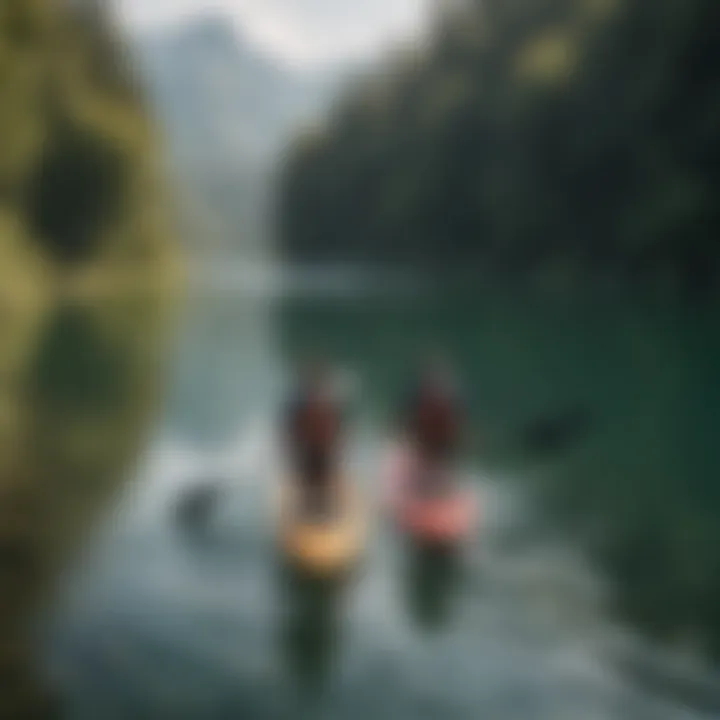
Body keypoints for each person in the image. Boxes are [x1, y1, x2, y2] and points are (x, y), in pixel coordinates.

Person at [282, 358, 343, 519]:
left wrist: (337, 444)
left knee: (321, 480)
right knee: (309, 480)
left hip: (323, 447)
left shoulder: (329, 401)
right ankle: (308, 510)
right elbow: (291, 425)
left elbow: (339, 425)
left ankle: (322, 510)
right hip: (308, 447)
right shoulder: (299, 401)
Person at [399, 357, 465, 498]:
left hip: (439, 447)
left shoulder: (447, 408)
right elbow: (408, 423)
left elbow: (455, 432)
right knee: (425, 466)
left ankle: (439, 490)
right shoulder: (419, 401)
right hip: (424, 445)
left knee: (438, 467)